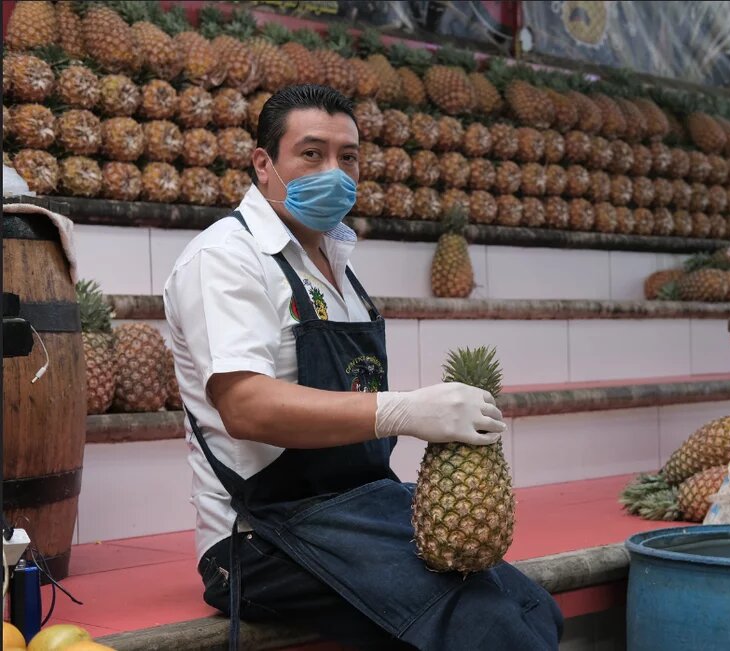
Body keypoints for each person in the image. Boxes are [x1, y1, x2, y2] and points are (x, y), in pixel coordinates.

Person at [163, 84, 563, 650]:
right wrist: (403, 410)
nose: (335, 171)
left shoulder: (336, 263)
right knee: (484, 628)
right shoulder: (226, 257)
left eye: (347, 157)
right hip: (261, 537)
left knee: (532, 608)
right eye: (311, 153)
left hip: (360, 507)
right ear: (263, 163)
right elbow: (244, 405)